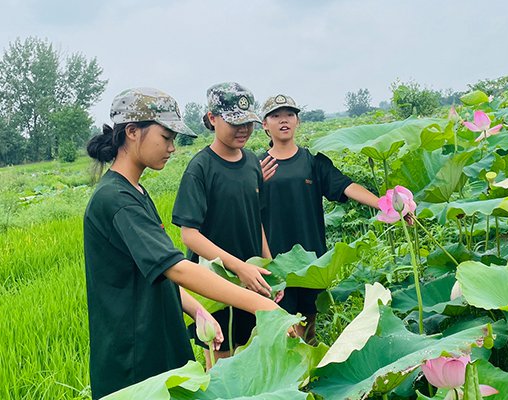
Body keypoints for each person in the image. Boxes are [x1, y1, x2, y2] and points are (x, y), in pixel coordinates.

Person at [83, 87, 281, 399]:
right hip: (135, 358)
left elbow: (156, 267)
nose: (172, 148)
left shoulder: (136, 192)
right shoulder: (116, 199)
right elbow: (178, 269)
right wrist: (264, 306)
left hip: (158, 339)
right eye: (166, 137)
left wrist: (196, 309)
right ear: (133, 132)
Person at [259, 94, 380, 342]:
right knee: (284, 332)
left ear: (297, 121)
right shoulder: (257, 165)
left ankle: (310, 373)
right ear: (264, 125)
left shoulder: (312, 161)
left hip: (310, 258)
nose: (284, 120)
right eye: (276, 116)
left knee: (308, 328)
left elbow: (346, 186)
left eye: (290, 115)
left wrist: (386, 205)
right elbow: (241, 208)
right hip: (274, 260)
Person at [172, 82, 275, 365]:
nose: (243, 130)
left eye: (248, 123)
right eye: (234, 122)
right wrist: (237, 266)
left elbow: (258, 220)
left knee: (253, 353)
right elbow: (189, 236)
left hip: (252, 276)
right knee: (221, 359)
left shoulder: (253, 162)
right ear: (212, 118)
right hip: (214, 280)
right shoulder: (201, 168)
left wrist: (270, 267)